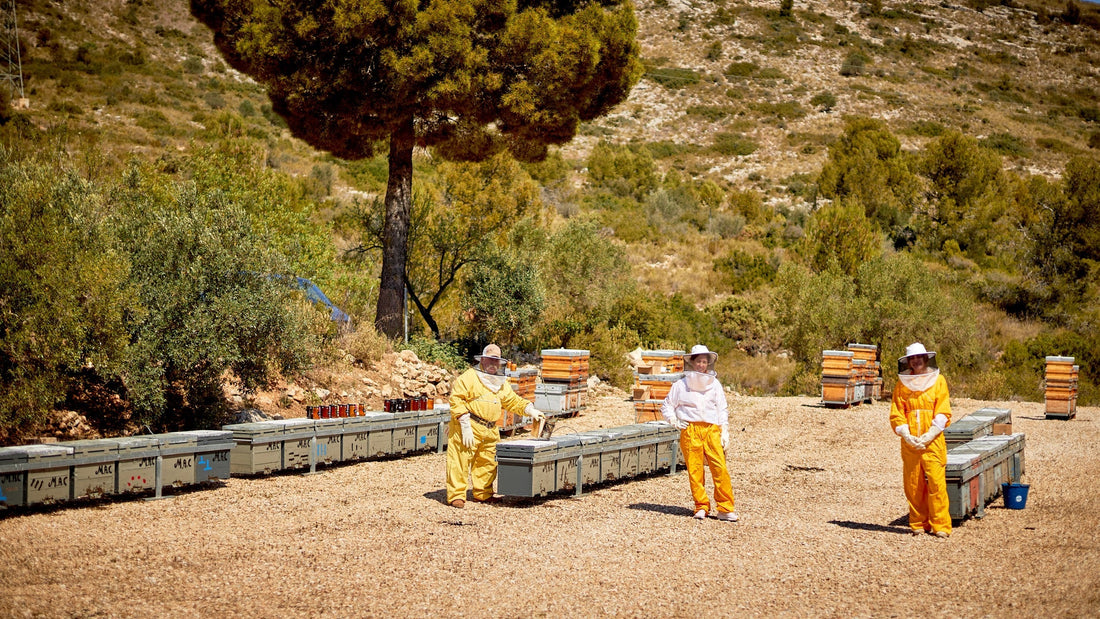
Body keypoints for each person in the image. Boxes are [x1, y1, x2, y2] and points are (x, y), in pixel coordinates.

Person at [446, 344, 545, 508]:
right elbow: (456, 400)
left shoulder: (500, 382)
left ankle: (483, 493)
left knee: (488, 462)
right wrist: (464, 424)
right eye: (490, 360)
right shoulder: (469, 377)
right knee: (460, 460)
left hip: (490, 428)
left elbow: (512, 401)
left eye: (496, 361)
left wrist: (530, 410)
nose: (493, 364)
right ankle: (456, 495)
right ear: (483, 359)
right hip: (469, 425)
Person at [660, 344, 737, 521]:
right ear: (692, 363)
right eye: (699, 361)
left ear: (708, 364)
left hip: (711, 430)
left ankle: (725, 507)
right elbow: (667, 406)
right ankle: (701, 506)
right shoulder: (681, 384)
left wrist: (724, 429)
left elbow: (721, 408)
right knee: (695, 470)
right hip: (690, 430)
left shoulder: (715, 384)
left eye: (704, 362)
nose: (702, 365)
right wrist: (674, 421)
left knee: (720, 468)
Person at [889, 342, 953, 538]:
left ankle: (941, 525)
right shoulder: (902, 384)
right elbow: (897, 413)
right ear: (907, 361)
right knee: (913, 484)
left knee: (936, 482)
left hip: (932, 441)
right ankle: (918, 523)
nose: (915, 361)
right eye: (912, 358)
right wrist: (906, 435)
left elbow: (943, 410)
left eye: (918, 357)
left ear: (926, 358)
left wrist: (931, 433)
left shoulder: (939, 381)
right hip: (910, 443)